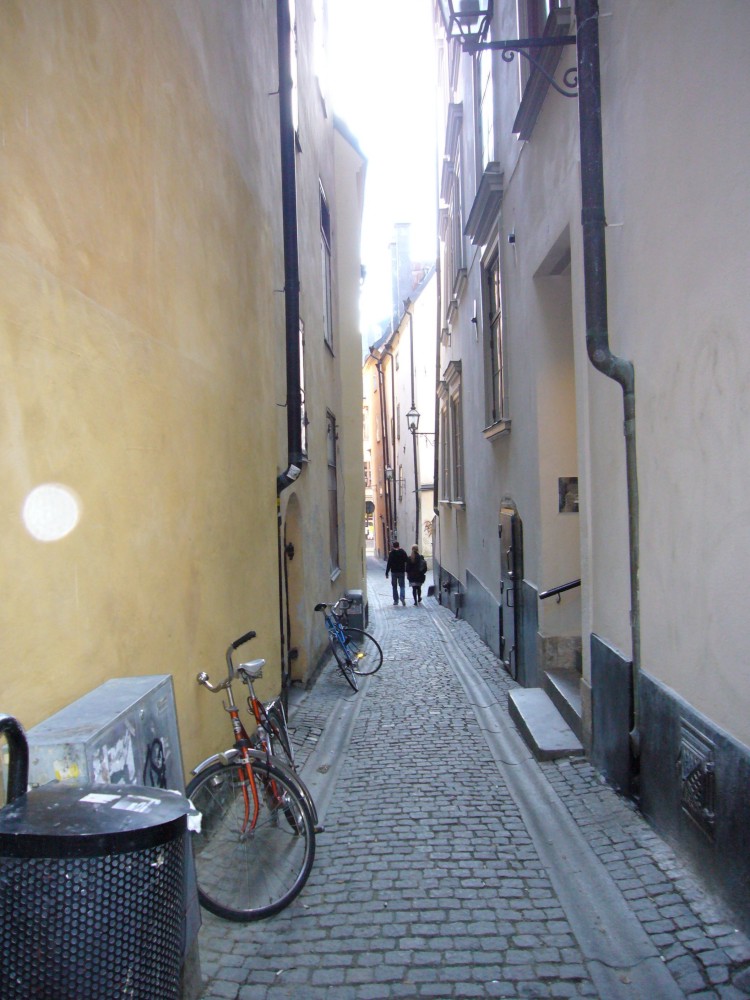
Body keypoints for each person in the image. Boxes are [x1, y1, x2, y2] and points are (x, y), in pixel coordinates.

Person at [385, 540, 408, 606]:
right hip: (401, 571)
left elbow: (389, 564)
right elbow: (407, 560)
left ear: (393, 546)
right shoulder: (403, 552)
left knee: (394, 587)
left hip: (394, 572)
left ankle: (396, 600)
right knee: (402, 586)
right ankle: (402, 597)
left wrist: (387, 572)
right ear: (399, 545)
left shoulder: (391, 553)